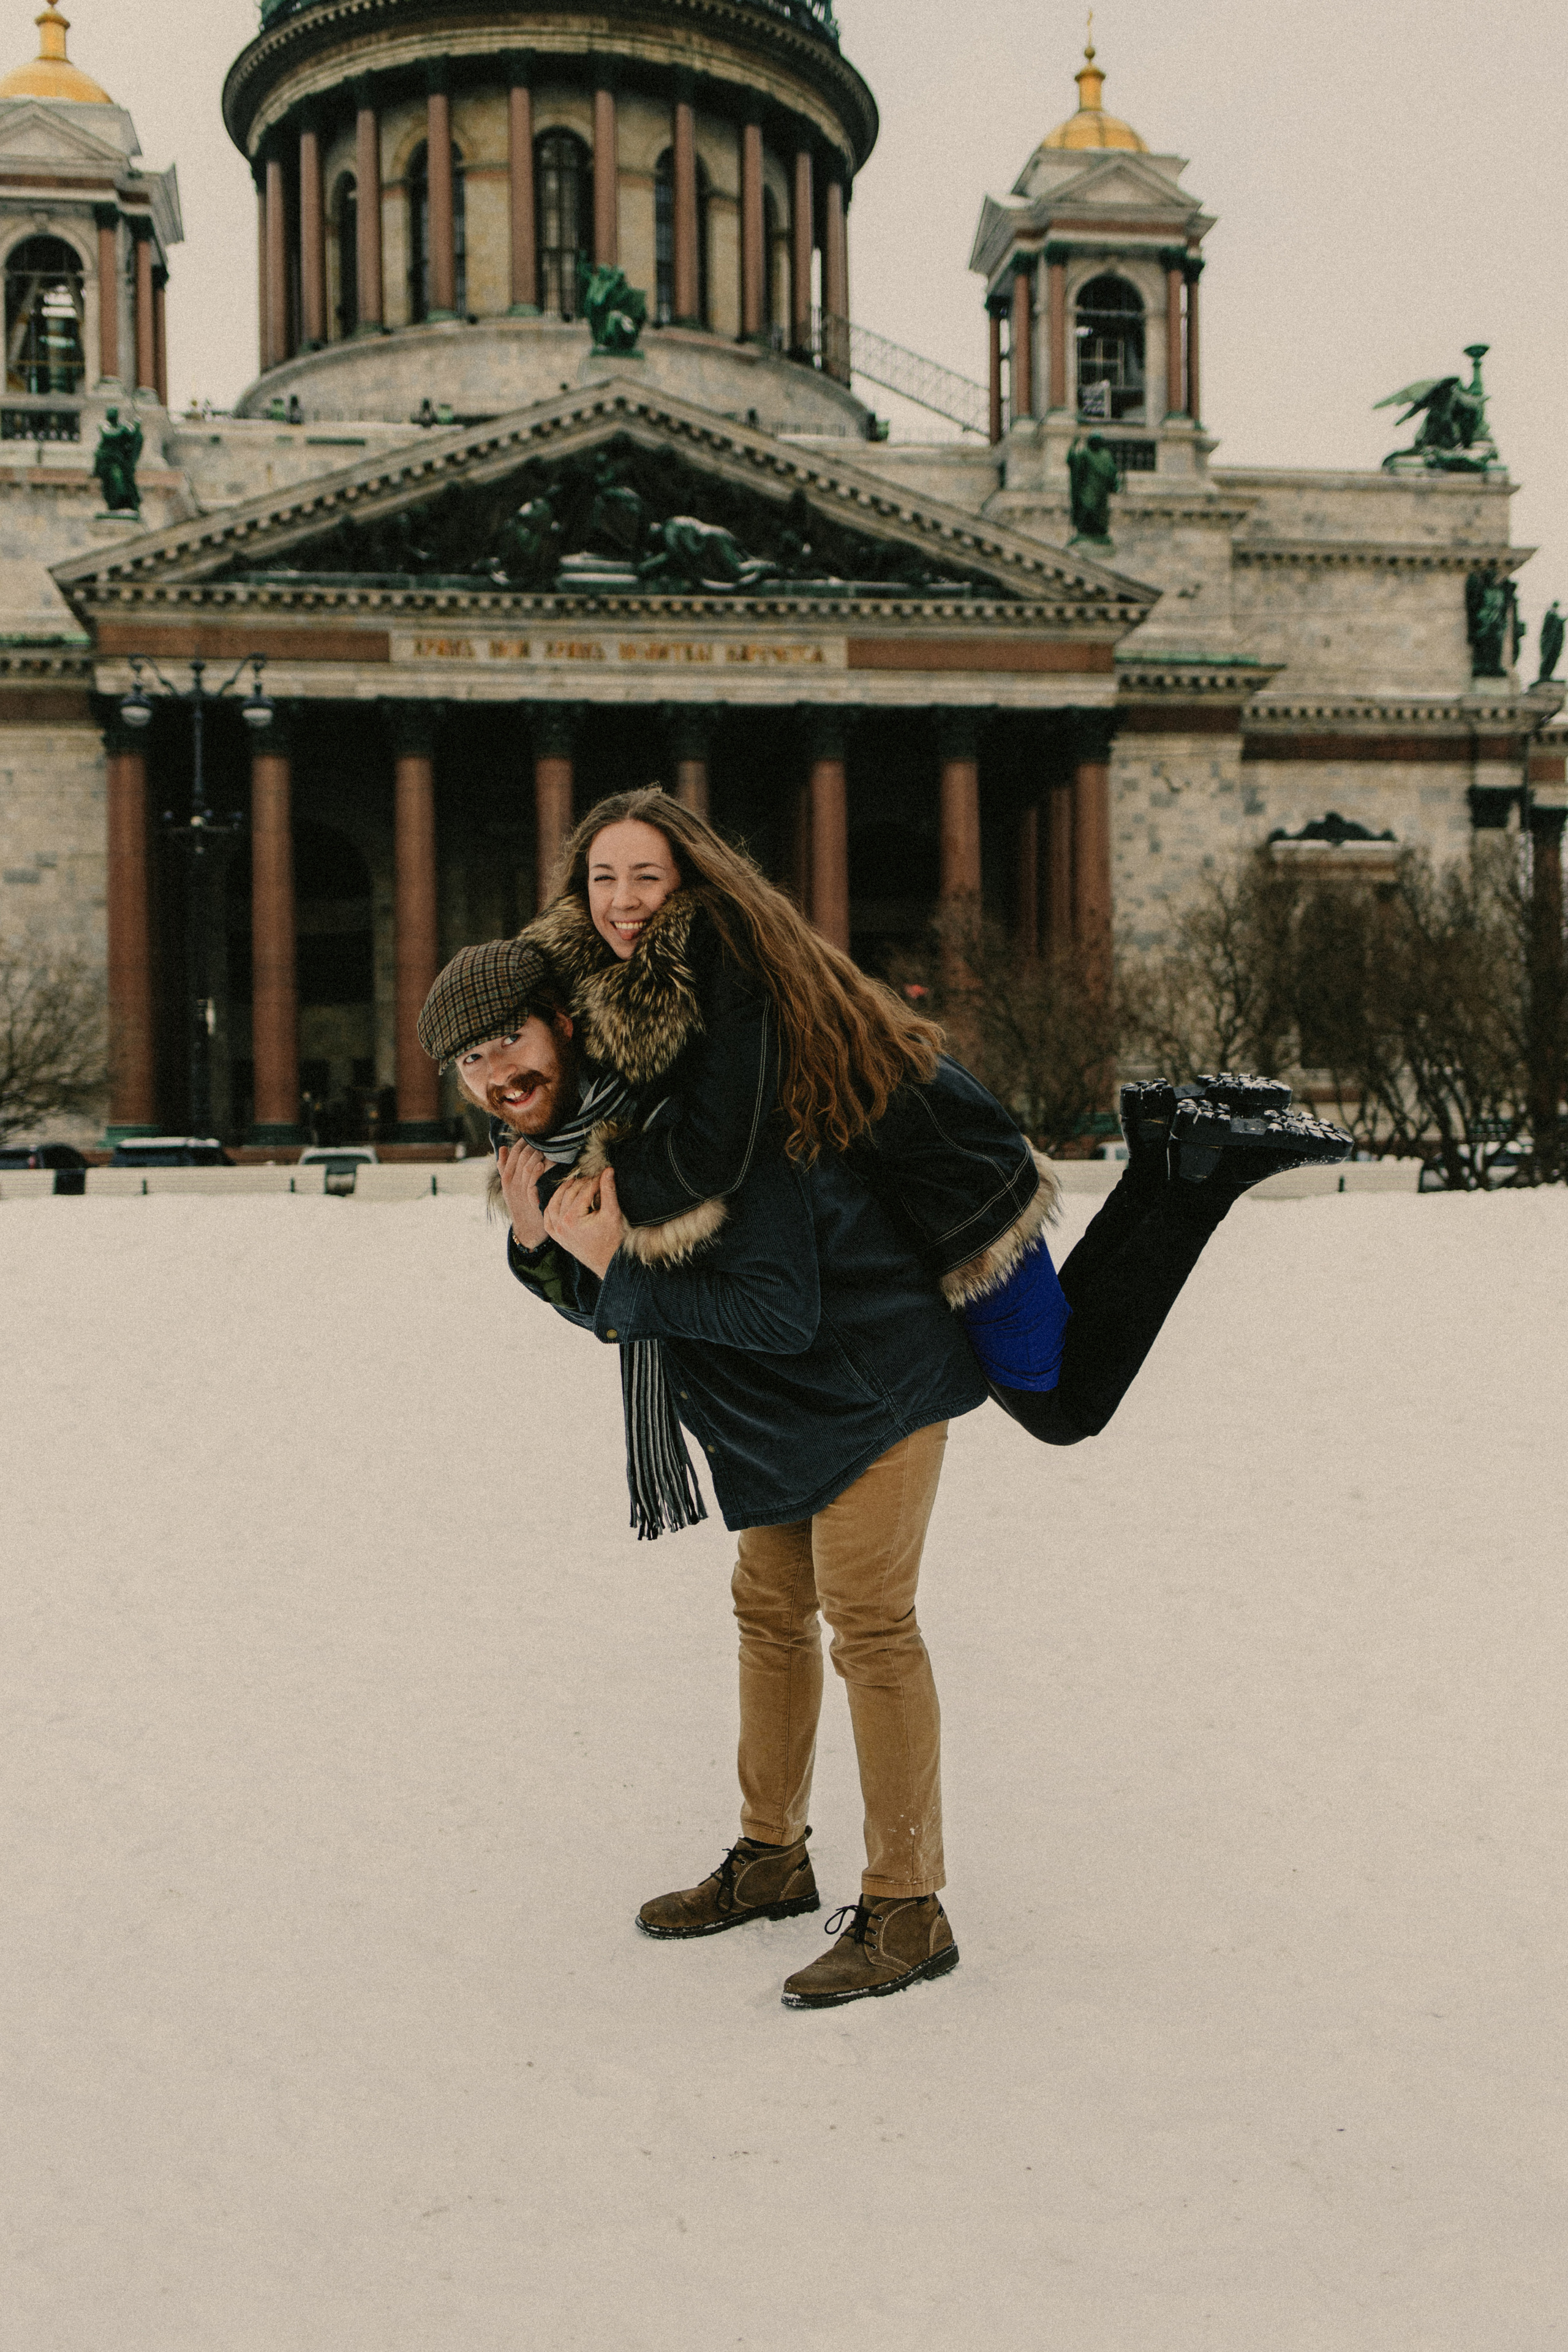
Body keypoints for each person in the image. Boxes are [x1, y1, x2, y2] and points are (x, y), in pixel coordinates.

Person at [419, 937, 983, 2010]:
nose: (495, 1073)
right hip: (772, 1410)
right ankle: (772, 1855)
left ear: (565, 1029)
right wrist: (546, 1246)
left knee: (870, 1625)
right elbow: (613, 1307)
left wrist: (610, 1265)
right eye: (468, 1063)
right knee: (769, 1612)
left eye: (508, 1039)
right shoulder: (573, 1147)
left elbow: (773, 1304)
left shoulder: (687, 1119)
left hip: (872, 1382)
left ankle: (910, 1907)